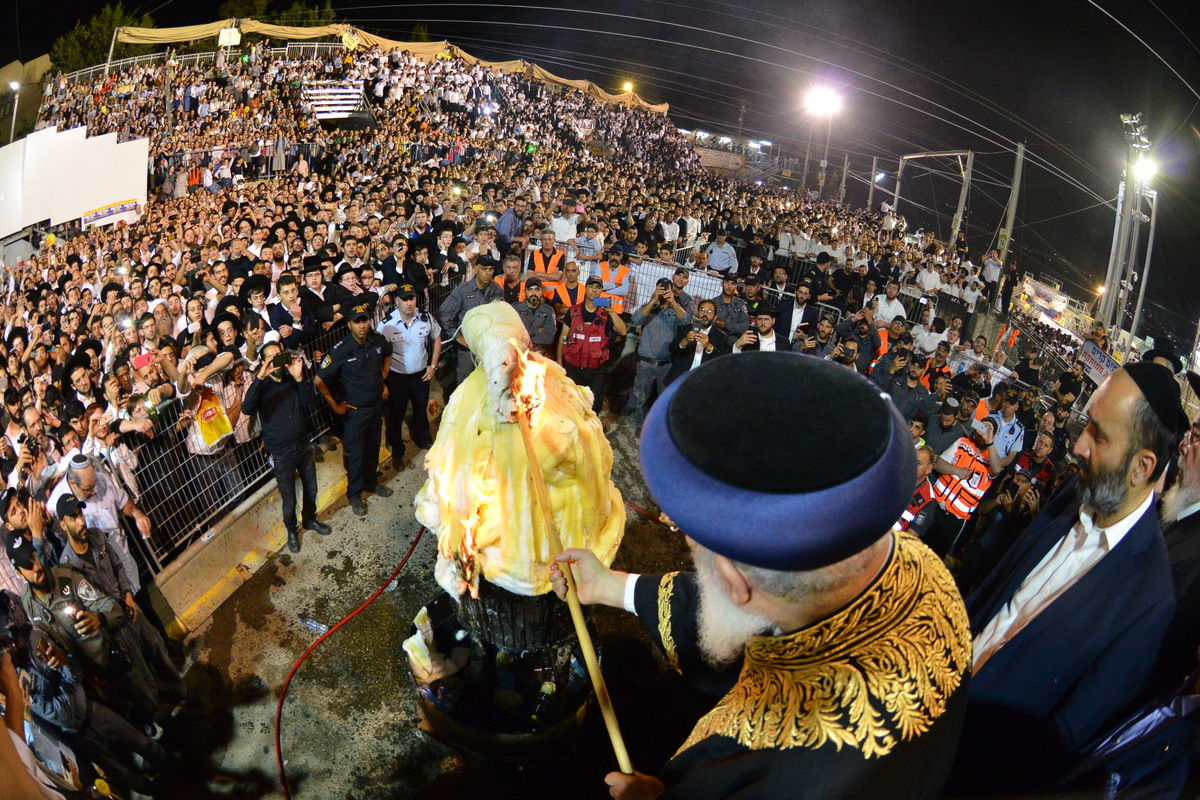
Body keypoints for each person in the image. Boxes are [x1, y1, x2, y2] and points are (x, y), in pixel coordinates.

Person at [550, 353, 971, 799]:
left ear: (734, 582)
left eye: (697, 549)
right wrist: (610, 586)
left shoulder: (798, 768)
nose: (697, 561)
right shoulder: (916, 563)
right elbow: (753, 606)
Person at [953, 362, 1180, 793]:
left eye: (1099, 435)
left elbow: (1062, 738)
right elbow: (999, 592)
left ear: (1141, 467)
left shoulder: (1149, 602)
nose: (1078, 446)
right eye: (1085, 426)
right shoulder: (1075, 492)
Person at [243, 340, 331, 552]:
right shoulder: (262, 386)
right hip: (281, 452)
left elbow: (311, 402)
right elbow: (247, 408)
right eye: (271, 358)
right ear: (264, 362)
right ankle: (292, 530)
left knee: (311, 489)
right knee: (289, 499)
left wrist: (300, 378)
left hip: (303, 444)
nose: (277, 361)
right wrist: (260, 376)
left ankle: (309, 520)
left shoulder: (293, 378)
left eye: (279, 355)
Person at [315, 295, 393, 517]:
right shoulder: (340, 350)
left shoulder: (377, 341)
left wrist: (383, 377)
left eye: (365, 320)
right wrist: (336, 407)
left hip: (375, 406)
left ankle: (372, 483)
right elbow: (319, 381)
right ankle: (355, 494)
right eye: (357, 322)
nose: (362, 325)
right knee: (356, 454)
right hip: (355, 413)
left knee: (373, 447)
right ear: (349, 324)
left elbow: (388, 353)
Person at [378, 283, 441, 462]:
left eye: (411, 298)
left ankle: (424, 439)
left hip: (421, 376)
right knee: (396, 415)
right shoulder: (386, 324)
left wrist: (433, 365)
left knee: (421, 410)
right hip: (396, 378)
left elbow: (437, 338)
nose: (408, 303)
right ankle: (397, 450)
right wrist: (381, 381)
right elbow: (377, 353)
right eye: (404, 299)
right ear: (397, 301)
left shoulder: (425, 318)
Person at [622, 279, 690, 425]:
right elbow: (635, 319)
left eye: (667, 289)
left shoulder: (675, 309)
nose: (664, 291)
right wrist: (653, 300)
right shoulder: (649, 306)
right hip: (646, 362)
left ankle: (657, 424)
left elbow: (686, 321)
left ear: (672, 290)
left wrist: (672, 301)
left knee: (663, 397)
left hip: (666, 363)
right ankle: (639, 425)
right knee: (641, 395)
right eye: (661, 288)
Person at [558, 276, 627, 414]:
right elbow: (563, 339)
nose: (594, 290)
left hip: (596, 371)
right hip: (573, 368)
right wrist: (560, 363)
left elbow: (623, 331)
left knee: (593, 405)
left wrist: (612, 311)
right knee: (570, 402)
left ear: (601, 291)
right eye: (591, 286)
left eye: (598, 287)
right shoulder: (573, 312)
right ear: (586, 289)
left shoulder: (606, 315)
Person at [438, 259, 503, 392]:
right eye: (484, 269)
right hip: (467, 349)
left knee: (487, 383)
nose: (488, 273)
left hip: (489, 347)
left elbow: (500, 313)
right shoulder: (463, 290)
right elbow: (444, 313)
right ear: (475, 269)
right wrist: (457, 337)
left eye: (491, 269)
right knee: (465, 384)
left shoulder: (496, 289)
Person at [665, 299, 728, 384]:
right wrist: (685, 341)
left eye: (709, 311)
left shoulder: (721, 336)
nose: (705, 314)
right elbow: (672, 349)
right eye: (702, 310)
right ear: (697, 312)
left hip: (703, 382)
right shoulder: (685, 329)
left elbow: (722, 362)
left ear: (715, 317)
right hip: (679, 379)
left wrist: (708, 346)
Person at [511, 277, 557, 356]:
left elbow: (549, 338)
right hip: (519, 352)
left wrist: (524, 333)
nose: (533, 293)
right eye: (530, 289)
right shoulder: (515, 308)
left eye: (537, 289)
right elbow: (511, 334)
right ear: (525, 291)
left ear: (541, 292)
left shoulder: (548, 311)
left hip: (540, 354)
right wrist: (538, 330)